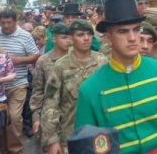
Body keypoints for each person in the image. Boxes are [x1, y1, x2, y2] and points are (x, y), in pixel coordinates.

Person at [75, 0, 157, 153]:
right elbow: (86, 149)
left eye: (136, 29)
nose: (133, 38)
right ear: (107, 37)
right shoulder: (90, 90)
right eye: (122, 31)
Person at [42, 20, 108, 154]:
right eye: (80, 35)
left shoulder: (102, 62)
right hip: (71, 135)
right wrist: (52, 139)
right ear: (71, 38)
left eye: (89, 34)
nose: (86, 38)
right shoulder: (60, 66)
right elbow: (50, 103)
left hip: (100, 132)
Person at [0, 9, 40, 154]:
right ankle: (3, 150)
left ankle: (16, 150)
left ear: (15, 21)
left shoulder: (25, 36)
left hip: (18, 84)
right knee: (1, 120)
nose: (6, 25)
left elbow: (35, 55)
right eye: (3, 23)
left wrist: (19, 60)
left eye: (9, 22)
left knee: (14, 117)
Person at [30, 23, 71, 139]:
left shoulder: (76, 57)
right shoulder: (43, 61)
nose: (68, 41)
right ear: (54, 39)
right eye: (64, 38)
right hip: (51, 114)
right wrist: (36, 118)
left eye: (70, 37)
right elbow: (38, 91)